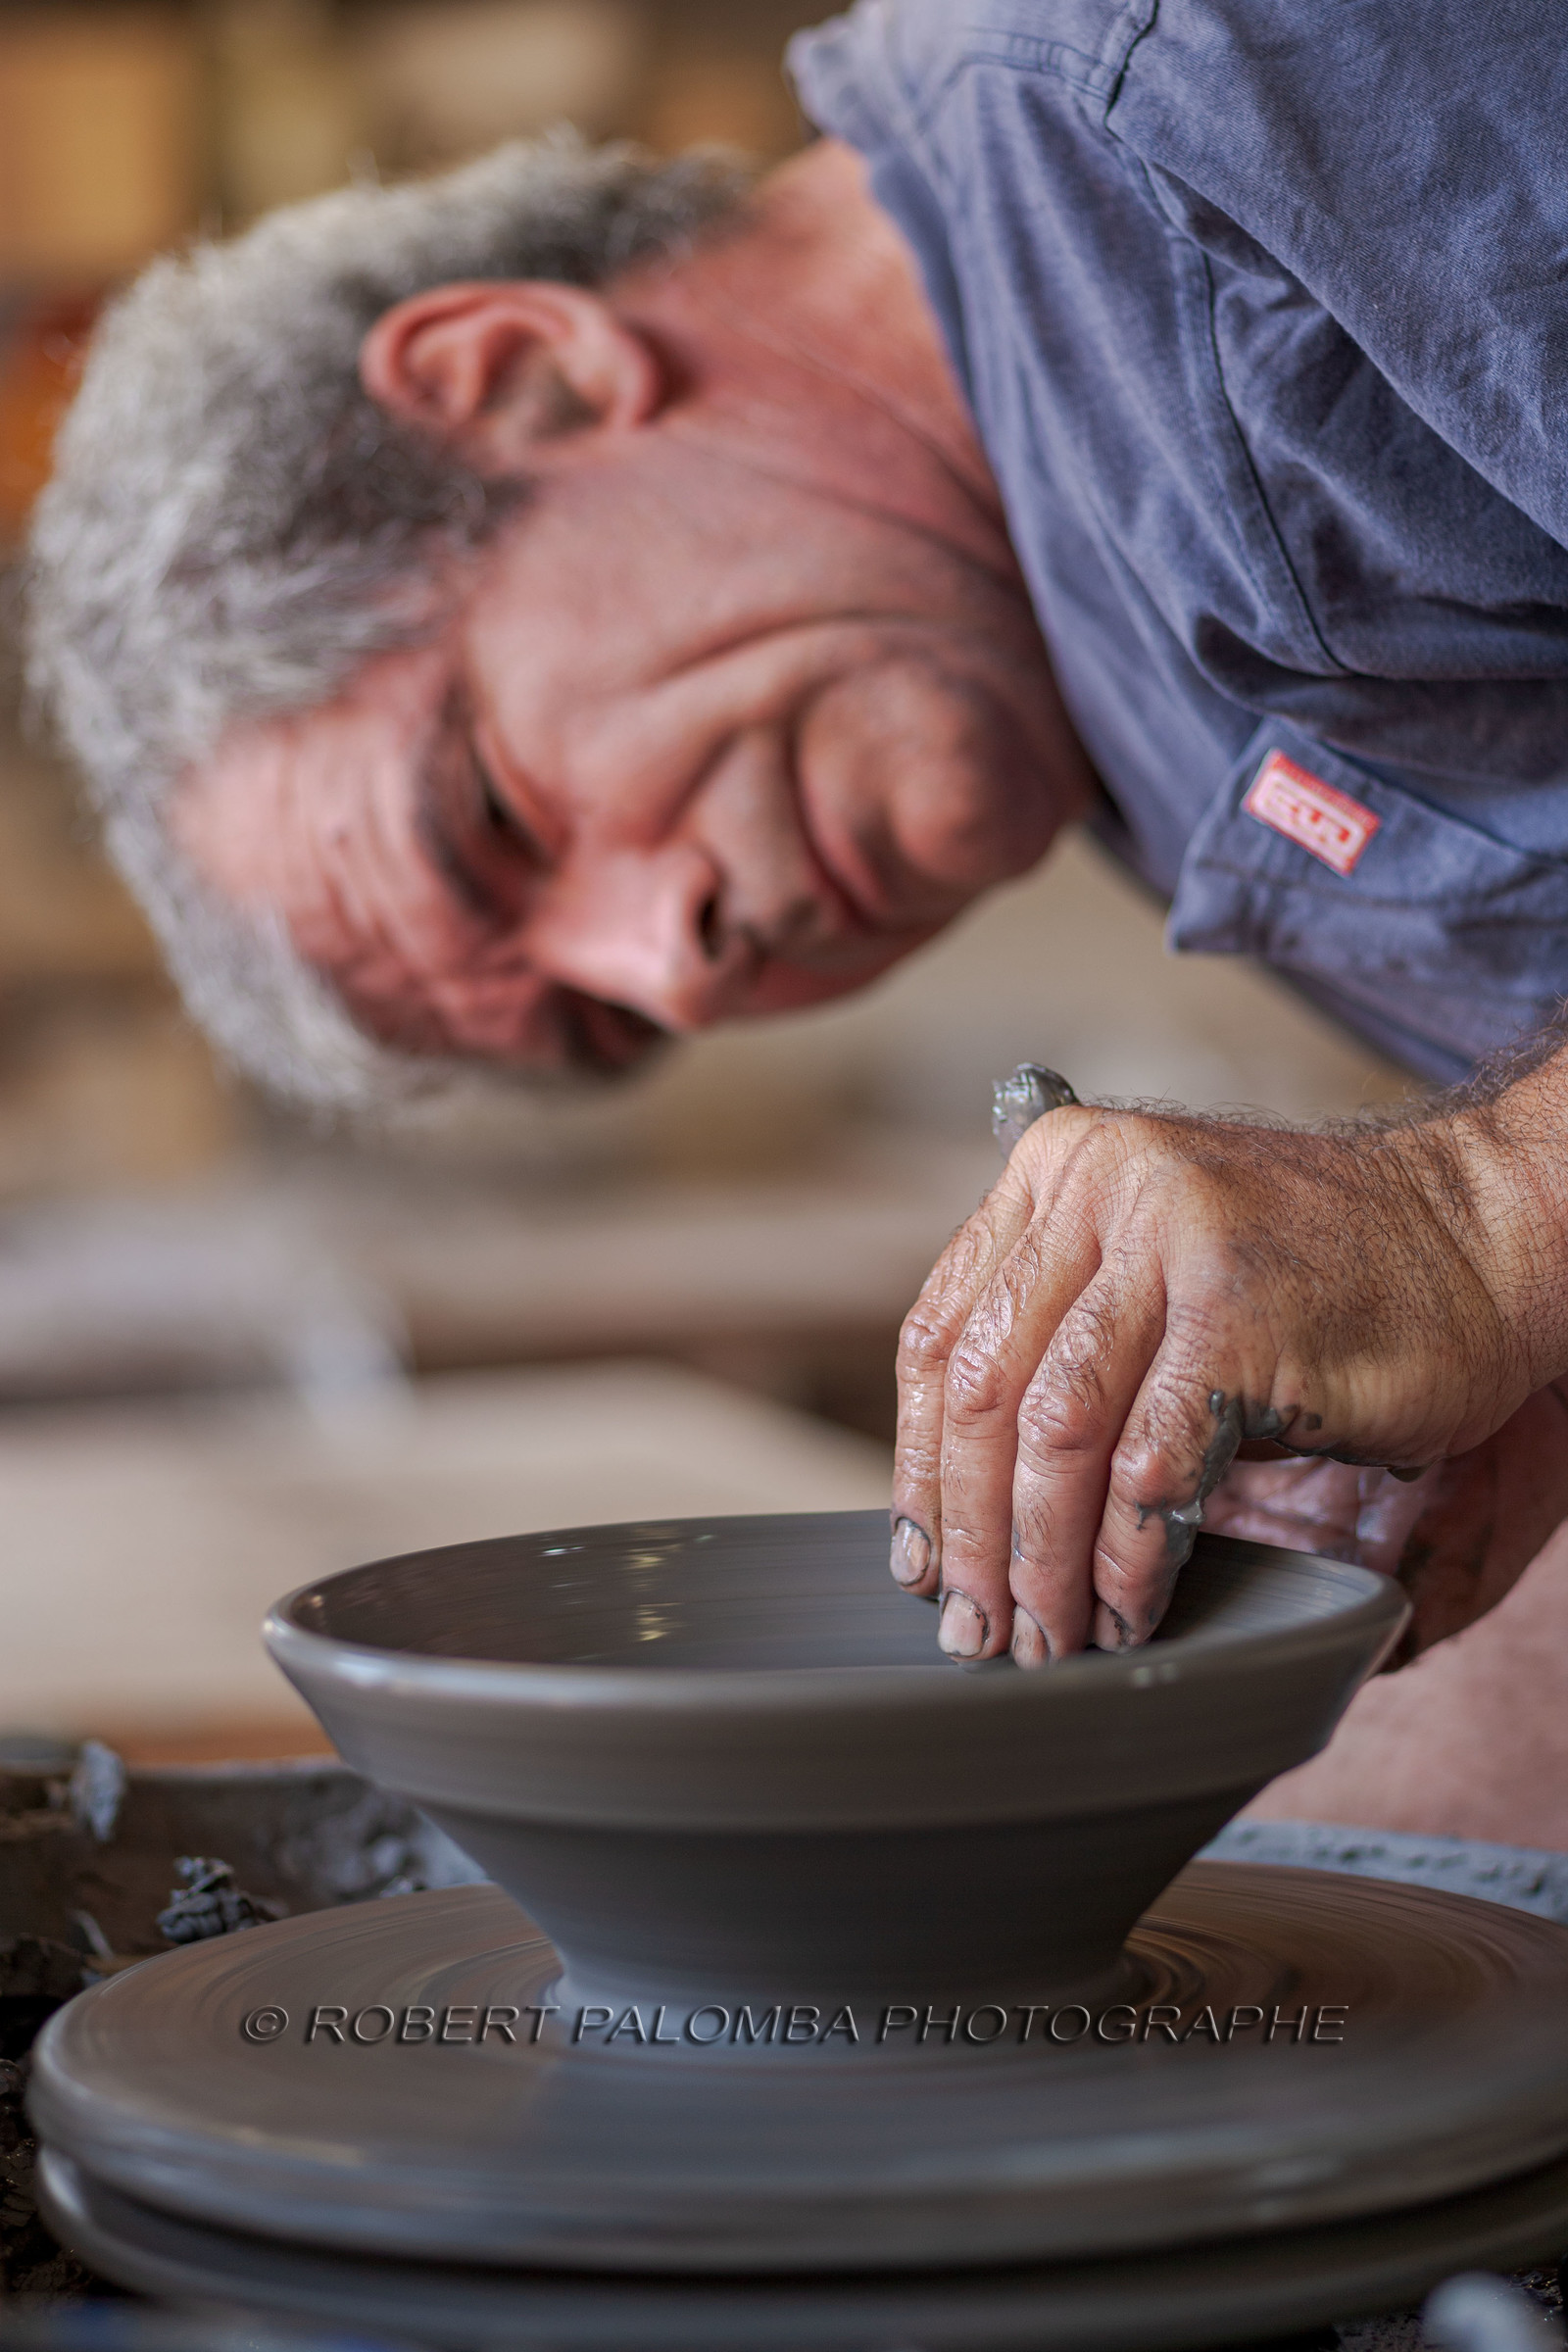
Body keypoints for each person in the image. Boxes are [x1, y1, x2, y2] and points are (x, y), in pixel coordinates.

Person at [25, 2, 1568, 1753]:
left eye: (500, 819)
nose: (673, 973)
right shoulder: (1060, 675)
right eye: (607, 1029)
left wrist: (1492, 1219)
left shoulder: (1242, 80)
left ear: (525, 378)